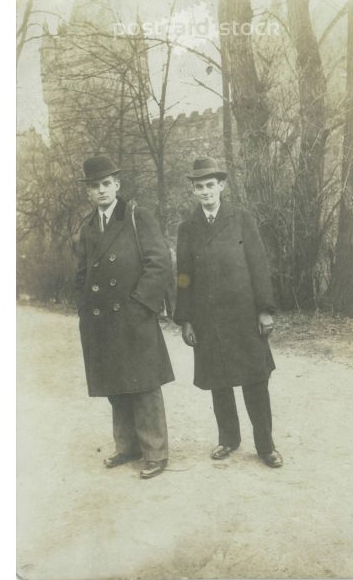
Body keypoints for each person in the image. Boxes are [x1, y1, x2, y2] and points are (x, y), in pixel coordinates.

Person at [174, 157, 283, 468]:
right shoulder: (187, 228)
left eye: (210, 185)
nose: (206, 191)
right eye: (199, 186)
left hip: (244, 316)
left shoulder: (241, 219)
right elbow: (183, 275)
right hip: (207, 319)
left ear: (221, 186)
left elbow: (259, 265)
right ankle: (228, 439)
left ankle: (266, 446)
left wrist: (265, 309)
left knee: (255, 380)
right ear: (193, 190)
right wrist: (186, 318)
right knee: (219, 381)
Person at [75, 155, 174, 479]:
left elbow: (158, 262)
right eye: (95, 186)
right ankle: (127, 446)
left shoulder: (137, 216)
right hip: (102, 320)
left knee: (144, 384)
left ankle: (156, 453)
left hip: (133, 314)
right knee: (116, 385)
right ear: (88, 192)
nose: (101, 190)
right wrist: (83, 308)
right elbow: (82, 272)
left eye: (106, 184)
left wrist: (141, 305)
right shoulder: (88, 227)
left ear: (117, 185)